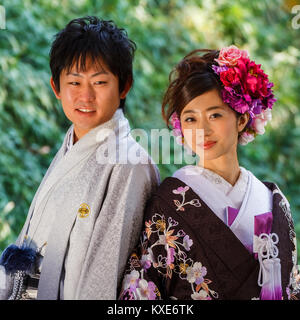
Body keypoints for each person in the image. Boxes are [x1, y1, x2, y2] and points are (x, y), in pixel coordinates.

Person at [118, 45, 300, 300]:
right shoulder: (168, 202)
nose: (202, 129)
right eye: (191, 119)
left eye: (215, 114)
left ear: (242, 119)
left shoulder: (272, 199)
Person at [0, 16, 159, 300]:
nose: (85, 96)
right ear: (56, 87)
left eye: (99, 82)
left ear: (124, 86)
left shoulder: (130, 162)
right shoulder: (71, 144)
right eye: (74, 82)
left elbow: (107, 270)